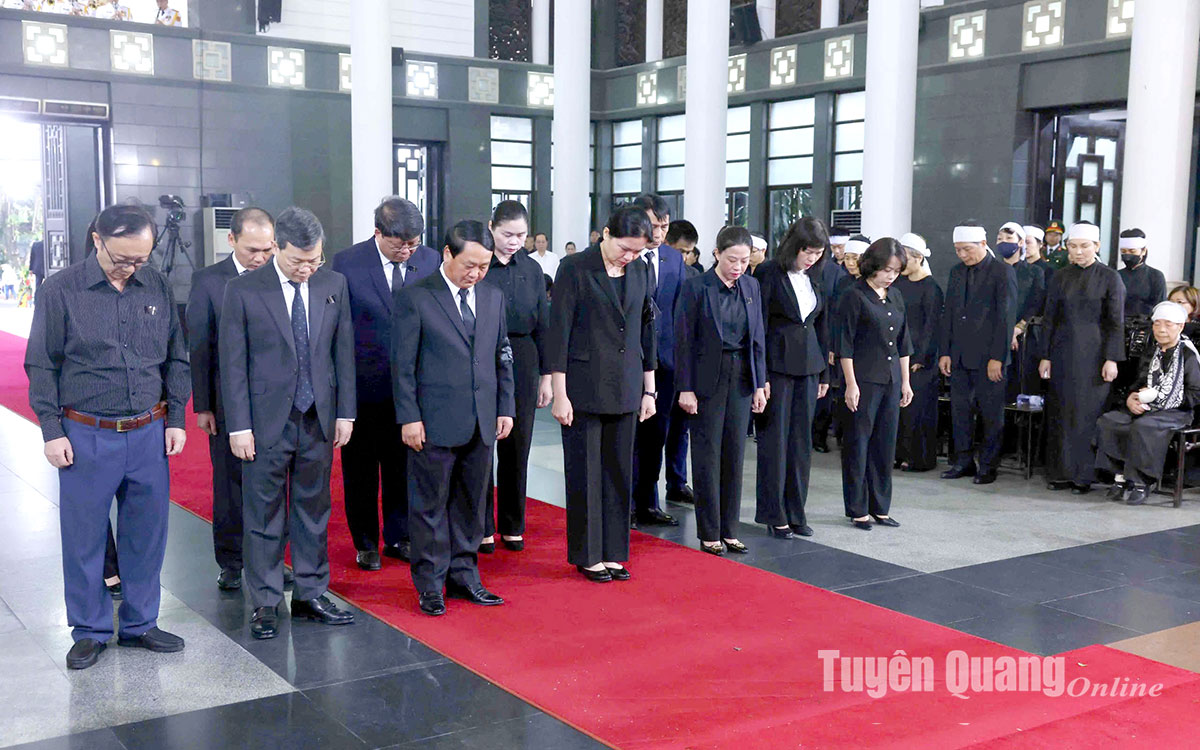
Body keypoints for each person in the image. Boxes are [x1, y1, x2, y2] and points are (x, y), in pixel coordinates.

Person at [26, 203, 189, 670]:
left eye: (140, 258)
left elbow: (177, 355)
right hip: (86, 433)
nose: (131, 267)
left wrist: (176, 417)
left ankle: (141, 623)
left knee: (146, 536)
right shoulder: (60, 290)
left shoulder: (156, 284)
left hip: (148, 431)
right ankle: (90, 630)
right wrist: (51, 430)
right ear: (97, 240)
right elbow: (41, 364)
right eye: (122, 258)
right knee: (84, 539)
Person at [220, 207, 357, 639]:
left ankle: (310, 593)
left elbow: (342, 352)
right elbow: (232, 364)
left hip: (318, 416)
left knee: (314, 509)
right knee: (263, 513)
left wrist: (346, 412)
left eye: (315, 260)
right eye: (299, 260)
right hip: (264, 422)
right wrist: (239, 426)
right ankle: (264, 600)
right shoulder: (243, 290)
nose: (307, 268)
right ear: (277, 247)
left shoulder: (333, 284)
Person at [392, 220, 514, 615]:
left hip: (481, 419)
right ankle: (430, 583)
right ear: (448, 254)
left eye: (484, 266)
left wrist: (505, 407)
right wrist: (409, 417)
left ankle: (464, 575)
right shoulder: (416, 297)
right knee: (429, 506)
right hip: (432, 421)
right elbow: (402, 366)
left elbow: (502, 355)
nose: (476, 274)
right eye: (470, 265)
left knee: (471, 504)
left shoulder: (493, 296)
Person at [547, 206, 657, 582]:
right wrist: (559, 392)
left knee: (619, 472)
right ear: (606, 234)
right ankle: (588, 554)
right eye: (625, 248)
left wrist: (649, 389)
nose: (630, 257)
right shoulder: (575, 267)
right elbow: (559, 331)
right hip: (583, 385)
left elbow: (646, 329)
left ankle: (613, 551)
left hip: (626, 384)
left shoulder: (640, 270)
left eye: (637, 251)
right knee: (585, 473)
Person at [332, 197, 439, 571]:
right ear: (378, 232)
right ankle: (365, 542)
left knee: (403, 467)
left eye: (413, 244)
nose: (407, 251)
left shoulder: (429, 261)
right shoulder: (348, 263)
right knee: (360, 470)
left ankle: (399, 536)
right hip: (363, 386)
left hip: (412, 388)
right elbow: (338, 327)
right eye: (400, 244)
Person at [186, 207, 275, 591]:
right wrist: (204, 404)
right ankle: (232, 561)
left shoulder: (280, 277)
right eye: (253, 250)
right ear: (232, 240)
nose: (261, 258)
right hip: (226, 401)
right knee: (229, 485)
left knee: (272, 485)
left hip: (274, 399)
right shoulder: (209, 281)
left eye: (268, 250)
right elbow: (200, 346)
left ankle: (271, 560)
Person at [677, 226, 767, 555]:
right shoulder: (696, 287)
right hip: (706, 380)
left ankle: (730, 529)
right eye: (732, 260)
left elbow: (757, 338)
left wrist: (760, 383)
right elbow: (683, 341)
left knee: (735, 454)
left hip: (741, 376)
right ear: (716, 254)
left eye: (744, 260)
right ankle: (709, 531)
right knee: (707, 455)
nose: (738, 267)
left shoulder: (751, 286)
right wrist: (685, 388)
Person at [480, 201, 551, 553]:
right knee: (481, 444)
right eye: (507, 234)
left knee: (518, 445)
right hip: (481, 356)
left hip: (523, 356)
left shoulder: (533, 269)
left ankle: (512, 524)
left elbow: (544, 325)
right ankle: (481, 525)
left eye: (521, 235)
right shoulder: (479, 264)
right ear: (491, 227)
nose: (514, 242)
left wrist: (547, 376)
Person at [753, 218, 829, 539]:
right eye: (807, 252)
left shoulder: (816, 276)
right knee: (775, 441)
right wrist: (761, 375)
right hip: (777, 367)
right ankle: (775, 513)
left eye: (818, 253)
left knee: (801, 443)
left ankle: (797, 511)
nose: (811, 258)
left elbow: (822, 325)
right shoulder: (768, 272)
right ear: (793, 247)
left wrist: (824, 372)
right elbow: (759, 325)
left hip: (809, 367)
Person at [1039, 221, 1125, 493]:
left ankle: (1084, 476)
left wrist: (1112, 358)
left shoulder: (1110, 277)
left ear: (1096, 246)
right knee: (1061, 412)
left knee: (1087, 415)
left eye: (1084, 246)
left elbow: (1116, 322)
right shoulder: (1060, 276)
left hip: (1095, 357)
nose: (1078, 252)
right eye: (1073, 246)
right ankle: (1060, 473)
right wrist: (1045, 356)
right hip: (1062, 354)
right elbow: (1049, 319)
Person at [837, 238, 913, 530]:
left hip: (891, 378)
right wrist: (850, 383)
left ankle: (880, 507)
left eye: (896, 271)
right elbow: (845, 344)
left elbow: (904, 343)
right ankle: (857, 508)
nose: (891, 276)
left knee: (885, 444)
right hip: (864, 379)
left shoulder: (896, 296)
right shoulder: (854, 295)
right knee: (858, 443)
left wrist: (906, 382)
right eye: (886, 270)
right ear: (872, 265)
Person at [1097, 301, 1200, 506]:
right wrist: (1131, 398)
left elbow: (1195, 394)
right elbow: (1137, 383)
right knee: (1109, 421)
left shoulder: (1188, 355)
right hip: (1147, 406)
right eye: (1157, 324)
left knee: (1144, 426)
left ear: (1180, 326)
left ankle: (1142, 481)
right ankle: (1120, 476)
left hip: (1177, 411)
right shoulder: (1151, 352)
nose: (1161, 329)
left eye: (1168, 324)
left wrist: (1161, 397)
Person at [939, 222, 1017, 485]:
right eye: (958, 250)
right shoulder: (956, 272)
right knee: (960, 412)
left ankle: (988, 465)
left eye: (967, 249)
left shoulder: (1002, 272)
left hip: (988, 358)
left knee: (990, 414)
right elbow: (949, 313)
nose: (962, 255)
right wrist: (945, 351)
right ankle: (963, 461)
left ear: (983, 244)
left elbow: (1005, 318)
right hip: (959, 356)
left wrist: (998, 357)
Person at [631, 193, 685, 523]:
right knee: (629, 437)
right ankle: (624, 502)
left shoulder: (673, 259)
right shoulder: (625, 256)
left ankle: (648, 502)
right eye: (654, 226)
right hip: (629, 360)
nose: (660, 233)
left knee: (656, 436)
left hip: (664, 362)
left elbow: (679, 312)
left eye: (664, 226)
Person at [814, 235, 869, 453]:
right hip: (842, 346)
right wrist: (832, 346)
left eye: (856, 258)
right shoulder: (843, 281)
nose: (851, 263)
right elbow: (834, 316)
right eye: (847, 258)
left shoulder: (872, 283)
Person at [893, 233, 943, 472]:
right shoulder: (898, 284)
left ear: (919, 258)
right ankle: (897, 453)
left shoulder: (931, 287)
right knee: (898, 410)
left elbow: (932, 325)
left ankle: (918, 458)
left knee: (917, 410)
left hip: (920, 360)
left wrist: (921, 357)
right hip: (898, 352)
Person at [998, 223, 1046, 403]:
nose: (1003, 242)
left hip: (1024, 337)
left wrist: (1017, 328)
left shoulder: (1034, 272)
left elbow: (1035, 303)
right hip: (995, 336)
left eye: (1009, 238)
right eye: (1000, 239)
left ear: (1020, 243)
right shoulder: (993, 270)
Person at [1117, 228, 1166, 318]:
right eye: (1123, 251)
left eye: (1132, 251)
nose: (1127, 255)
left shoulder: (1155, 276)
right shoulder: (1116, 275)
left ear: (1143, 251)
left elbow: (1160, 306)